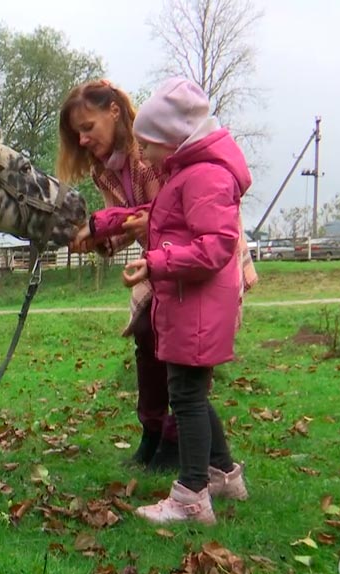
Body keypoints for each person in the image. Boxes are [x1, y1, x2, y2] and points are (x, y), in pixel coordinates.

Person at [85, 76, 252, 524]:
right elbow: (158, 222)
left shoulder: (204, 177)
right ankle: (223, 473)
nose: (146, 156)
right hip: (185, 301)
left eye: (151, 145)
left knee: (188, 398)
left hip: (193, 304)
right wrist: (103, 228)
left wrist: (156, 264)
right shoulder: (188, 173)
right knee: (191, 392)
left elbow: (215, 247)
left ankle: (191, 495)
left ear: (174, 139)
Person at [56, 79, 178, 471]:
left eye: (88, 127)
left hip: (187, 255)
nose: (84, 139)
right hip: (156, 260)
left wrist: (100, 225)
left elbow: (162, 216)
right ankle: (154, 433)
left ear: (113, 111)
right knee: (146, 338)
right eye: (78, 134)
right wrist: (97, 241)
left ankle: (180, 443)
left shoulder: (150, 152)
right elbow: (128, 229)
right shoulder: (104, 172)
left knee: (176, 350)